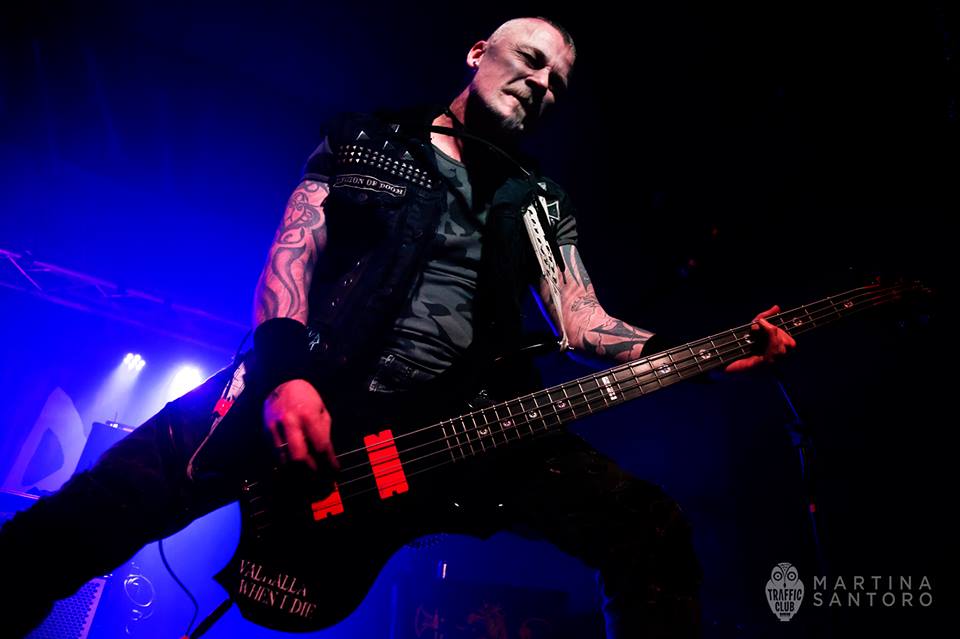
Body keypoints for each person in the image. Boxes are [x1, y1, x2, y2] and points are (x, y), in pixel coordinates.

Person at [0, 16, 795, 638]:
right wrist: (286, 375)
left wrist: (706, 353)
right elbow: (292, 254)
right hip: (314, 383)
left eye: (558, 82)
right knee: (92, 512)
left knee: (648, 528)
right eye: (531, 60)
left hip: (464, 424)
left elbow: (583, 320)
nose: (543, 84)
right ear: (477, 51)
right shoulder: (365, 140)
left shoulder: (539, 199)